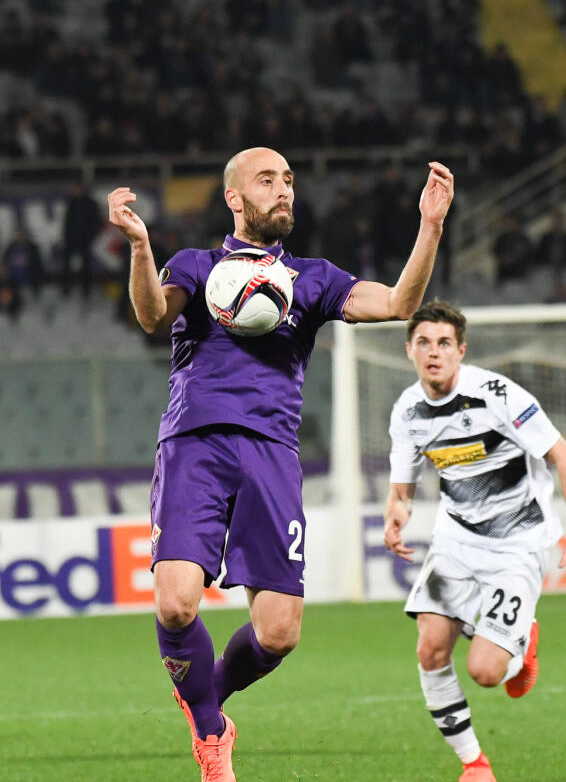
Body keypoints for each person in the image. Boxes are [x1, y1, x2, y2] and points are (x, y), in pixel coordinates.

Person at [107, 146, 454, 781]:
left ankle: (206, 700)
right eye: (267, 180)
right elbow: (152, 314)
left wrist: (430, 226)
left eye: (289, 180)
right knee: (177, 605)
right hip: (195, 443)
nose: (283, 190)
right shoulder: (197, 266)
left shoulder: (313, 278)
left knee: (278, 634)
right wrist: (139, 247)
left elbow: (398, 304)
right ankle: (211, 734)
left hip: (271, 454)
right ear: (234, 198)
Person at [382, 300, 566, 782]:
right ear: (409, 350)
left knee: (485, 672)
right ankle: (475, 765)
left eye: (444, 343)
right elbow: (403, 488)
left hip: (517, 545)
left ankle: (522, 644)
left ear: (460, 351)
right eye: (424, 343)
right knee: (430, 648)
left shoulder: (498, 395)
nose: (434, 352)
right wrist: (396, 517)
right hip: (455, 542)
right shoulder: (407, 411)